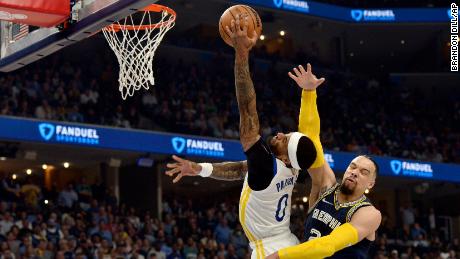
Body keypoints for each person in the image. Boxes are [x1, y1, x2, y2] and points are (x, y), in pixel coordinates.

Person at [166, 14, 325, 259]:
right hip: (287, 242)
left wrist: (242, 53)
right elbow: (242, 170)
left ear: (285, 155)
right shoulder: (287, 168)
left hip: (270, 250)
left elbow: (247, 107)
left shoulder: (268, 166)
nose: (280, 133)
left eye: (284, 138)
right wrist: (200, 169)